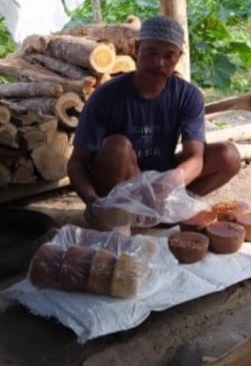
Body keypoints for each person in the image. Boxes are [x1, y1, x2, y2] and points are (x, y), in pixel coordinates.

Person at [67, 15, 241, 228]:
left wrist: (172, 181)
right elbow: (76, 163)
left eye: (169, 56)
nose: (159, 63)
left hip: (162, 184)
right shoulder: (106, 96)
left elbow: (195, 158)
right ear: (137, 48)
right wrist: (92, 200)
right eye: (151, 53)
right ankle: (118, 216)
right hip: (118, 186)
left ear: (179, 57)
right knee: (117, 146)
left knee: (228, 155)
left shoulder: (188, 96)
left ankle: (166, 213)